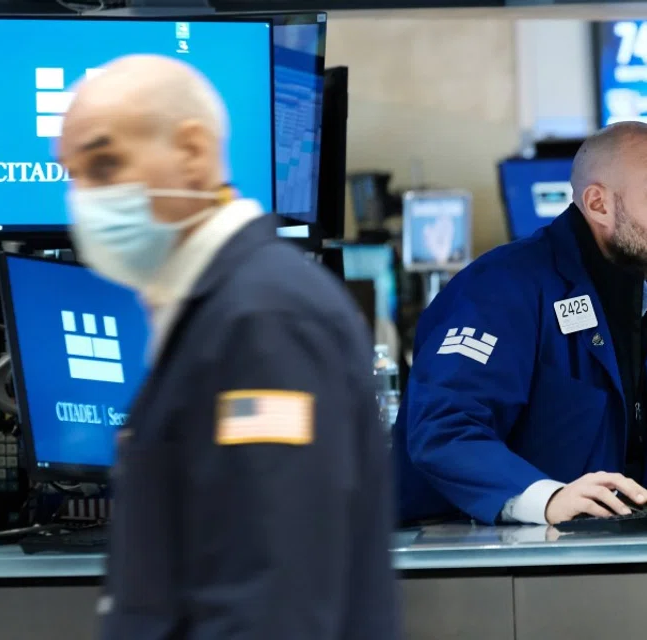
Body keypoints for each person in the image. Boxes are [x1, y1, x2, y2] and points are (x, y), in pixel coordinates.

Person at [58, 55, 398, 639]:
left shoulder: (264, 317)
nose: (84, 197)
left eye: (105, 163)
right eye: (73, 173)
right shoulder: (218, 305)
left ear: (191, 152)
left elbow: (272, 601)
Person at [394, 121, 647, 526]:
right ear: (598, 204)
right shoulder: (502, 289)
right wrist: (547, 499)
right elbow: (444, 431)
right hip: (473, 556)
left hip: (596, 552)